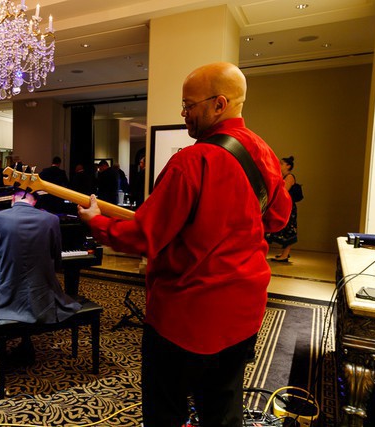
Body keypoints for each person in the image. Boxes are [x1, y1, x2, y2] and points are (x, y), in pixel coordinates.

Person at [78, 62, 292, 427]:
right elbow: (277, 218)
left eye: (189, 105)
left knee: (166, 411)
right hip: (244, 309)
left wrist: (96, 223)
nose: (183, 113)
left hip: (187, 315)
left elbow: (145, 236)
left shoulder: (191, 161)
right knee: (223, 409)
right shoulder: (263, 152)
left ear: (219, 104)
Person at [0, 188, 82, 361]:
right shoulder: (52, 219)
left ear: (13, 199)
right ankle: (26, 342)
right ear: (34, 202)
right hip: (43, 294)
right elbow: (57, 259)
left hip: (7, 295)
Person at [267, 156, 299, 262]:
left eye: (281, 163)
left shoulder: (289, 177)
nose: (279, 165)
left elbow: (283, 192)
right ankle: (284, 253)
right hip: (285, 206)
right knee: (285, 229)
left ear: (288, 166)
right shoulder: (284, 176)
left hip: (288, 207)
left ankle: (285, 255)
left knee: (289, 230)